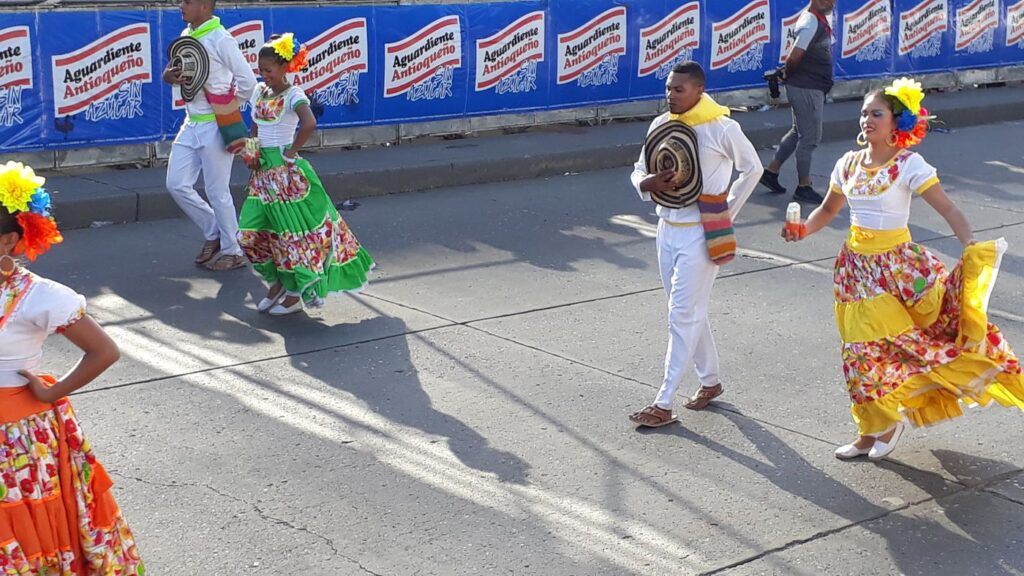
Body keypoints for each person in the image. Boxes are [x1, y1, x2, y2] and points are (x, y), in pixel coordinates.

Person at [782, 79, 1024, 460]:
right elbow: (828, 210)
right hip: (855, 271)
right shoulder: (848, 164)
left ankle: (889, 422)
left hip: (898, 269)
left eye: (876, 114)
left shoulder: (909, 164)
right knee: (858, 353)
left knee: (887, 348)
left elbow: (948, 208)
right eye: (864, 113)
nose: (867, 120)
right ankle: (870, 429)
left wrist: (970, 246)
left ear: (898, 122)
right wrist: (802, 229)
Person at [0, 161, 144, 573]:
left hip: (17, 439)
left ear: (9, 240)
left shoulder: (42, 297)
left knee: (22, 532)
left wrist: (51, 391)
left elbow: (104, 351)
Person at [628, 61, 763, 427]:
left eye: (678, 89)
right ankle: (711, 381)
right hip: (666, 228)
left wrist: (725, 210)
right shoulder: (661, 125)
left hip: (702, 233)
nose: (670, 95)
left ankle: (663, 401)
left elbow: (753, 168)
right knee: (685, 310)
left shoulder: (722, 127)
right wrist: (646, 184)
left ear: (699, 91)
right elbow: (638, 168)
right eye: (669, 88)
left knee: (682, 315)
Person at [237, 34, 375, 316]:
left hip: (287, 178)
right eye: (260, 70)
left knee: (291, 238)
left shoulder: (293, 96)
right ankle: (276, 282)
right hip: (262, 175)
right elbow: (254, 126)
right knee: (250, 234)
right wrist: (251, 151)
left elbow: (309, 123)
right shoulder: (260, 92)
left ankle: (293, 294)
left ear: (285, 68)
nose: (264, 75)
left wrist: (289, 154)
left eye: (269, 70)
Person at [163, 0, 257, 271]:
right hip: (191, 123)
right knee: (176, 184)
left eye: (187, 2)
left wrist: (227, 105)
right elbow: (178, 74)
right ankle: (215, 230)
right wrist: (168, 76)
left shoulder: (221, 39)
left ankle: (234, 250)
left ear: (205, 6)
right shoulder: (186, 36)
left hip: (217, 125)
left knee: (217, 191)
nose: (181, 6)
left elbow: (248, 83)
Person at [760, 0, 836, 204]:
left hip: (808, 85)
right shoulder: (811, 21)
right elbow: (795, 56)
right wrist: (787, 74)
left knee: (797, 132)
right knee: (810, 137)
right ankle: (804, 187)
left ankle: (771, 172)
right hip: (806, 87)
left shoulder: (815, 19)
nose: (832, 2)